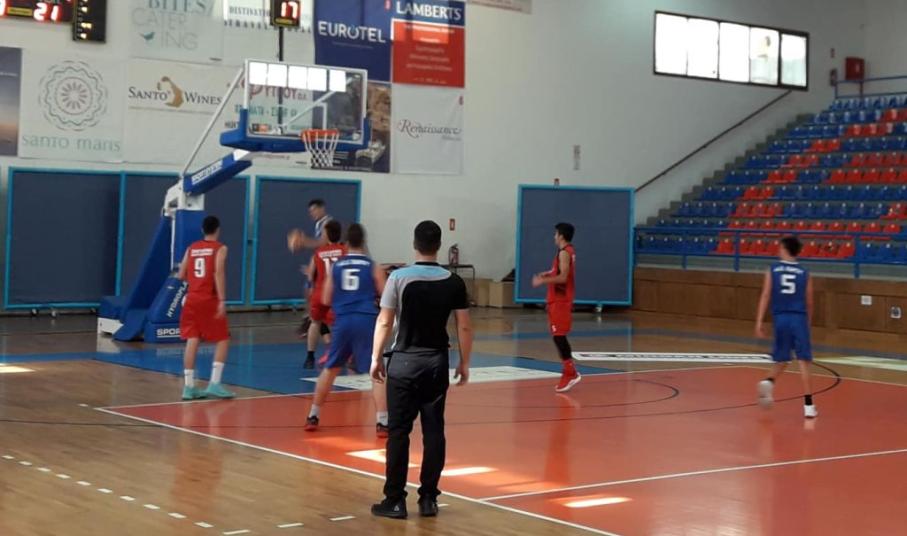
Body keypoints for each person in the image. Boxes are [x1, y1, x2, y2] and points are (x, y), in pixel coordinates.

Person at [370, 221, 472, 520]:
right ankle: (428, 499)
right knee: (434, 430)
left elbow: (385, 321)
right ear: (438, 246)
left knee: (399, 432)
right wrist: (464, 361)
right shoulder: (454, 281)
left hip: (404, 362)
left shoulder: (398, 278)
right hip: (436, 362)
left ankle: (395, 500)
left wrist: (376, 357)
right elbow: (464, 325)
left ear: (415, 244)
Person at [305, 224, 388, 436]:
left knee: (330, 368)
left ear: (347, 243)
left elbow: (325, 299)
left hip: (343, 321)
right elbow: (386, 296)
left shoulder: (337, 267)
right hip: (366, 320)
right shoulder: (373, 266)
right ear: (364, 242)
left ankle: (313, 415)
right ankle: (382, 422)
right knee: (376, 370)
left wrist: (343, 298)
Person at [755, 236, 817, 419]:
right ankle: (808, 406)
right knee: (804, 361)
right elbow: (810, 301)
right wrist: (808, 322)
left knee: (782, 358)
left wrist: (759, 321)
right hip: (798, 317)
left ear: (784, 248)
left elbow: (765, 295)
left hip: (780, 318)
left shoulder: (772, 269)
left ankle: (769, 381)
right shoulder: (805, 273)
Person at [177, 216, 234, 401]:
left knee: (192, 338)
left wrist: (195, 282)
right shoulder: (220, 248)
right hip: (209, 298)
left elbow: (180, 274)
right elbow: (218, 272)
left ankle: (189, 387)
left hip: (192, 298)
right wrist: (222, 299)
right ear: (218, 229)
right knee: (223, 338)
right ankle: (214, 383)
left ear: (202, 230)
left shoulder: (191, 248)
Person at [532, 222, 581, 393]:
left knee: (559, 336)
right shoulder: (565, 252)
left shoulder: (564, 253)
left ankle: (570, 372)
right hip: (557, 299)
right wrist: (548, 273)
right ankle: (569, 371)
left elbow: (563, 277)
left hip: (561, 300)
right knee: (557, 336)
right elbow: (559, 271)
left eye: (556, 234)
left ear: (561, 236)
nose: (554, 236)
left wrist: (542, 280)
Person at [287, 199, 334, 341]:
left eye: (314, 210)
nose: (312, 213)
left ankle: (312, 320)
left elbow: (323, 243)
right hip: (322, 261)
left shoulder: (328, 223)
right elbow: (319, 247)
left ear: (322, 208)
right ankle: (312, 320)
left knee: (315, 293)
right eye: (310, 211)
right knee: (309, 290)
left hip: (329, 262)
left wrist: (304, 241)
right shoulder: (319, 224)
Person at [304, 220, 346, 369]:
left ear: (327, 234)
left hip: (320, 292)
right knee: (339, 324)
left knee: (315, 323)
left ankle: (310, 357)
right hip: (337, 294)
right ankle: (338, 354)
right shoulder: (345, 251)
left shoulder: (319, 252)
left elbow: (310, 275)